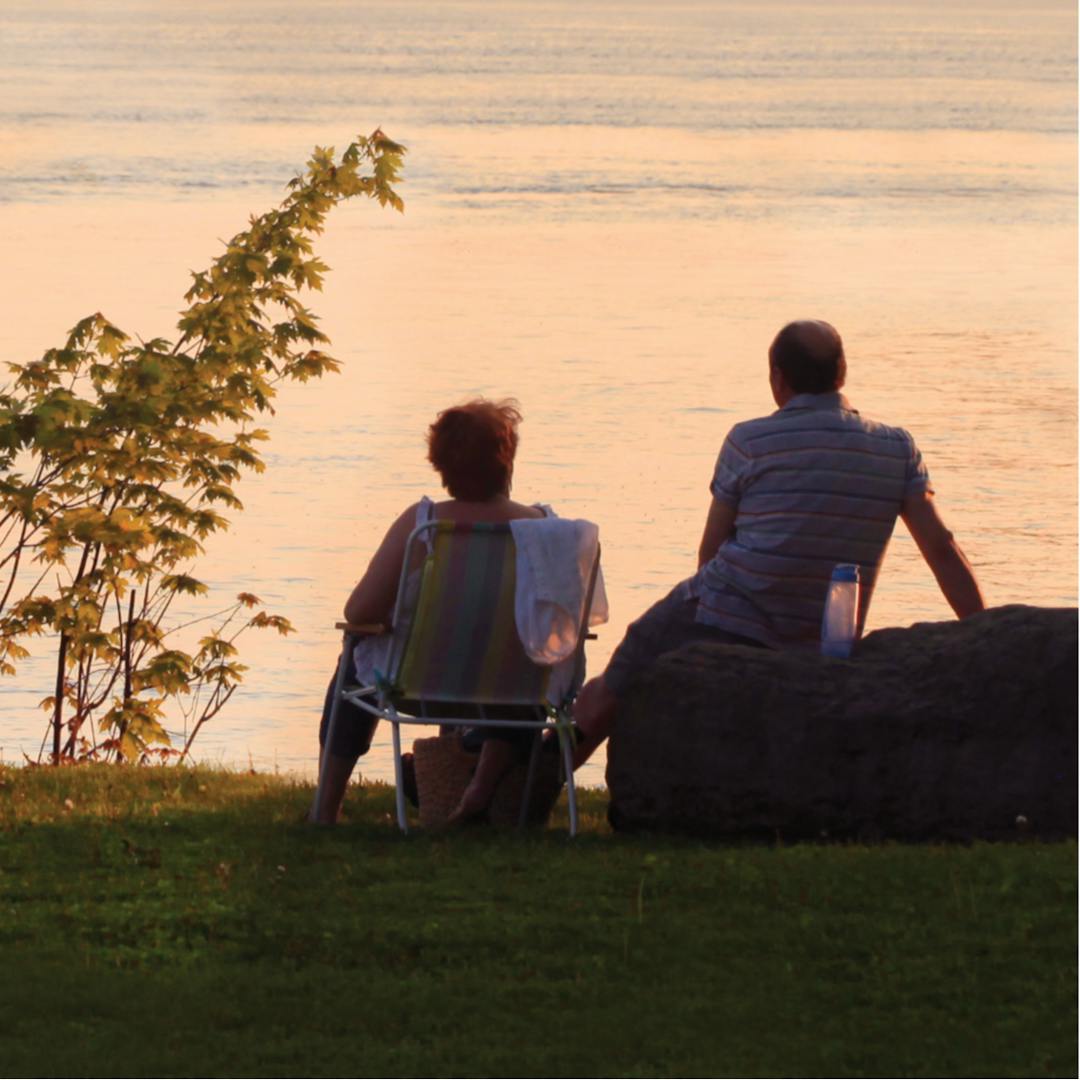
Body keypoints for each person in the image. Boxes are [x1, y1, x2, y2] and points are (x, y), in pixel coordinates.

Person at [573, 318, 986, 751]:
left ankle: (532, 786)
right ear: (841, 372)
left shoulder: (750, 440)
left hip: (731, 615)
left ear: (778, 378)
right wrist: (985, 631)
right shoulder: (897, 448)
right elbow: (941, 549)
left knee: (616, 678)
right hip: (824, 633)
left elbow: (709, 554)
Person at [311, 398, 554, 825]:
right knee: (528, 651)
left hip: (420, 686)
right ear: (507, 459)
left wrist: (392, 620)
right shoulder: (543, 530)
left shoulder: (424, 526)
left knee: (355, 649)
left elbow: (359, 610)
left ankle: (326, 808)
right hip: (514, 695)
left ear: (440, 464)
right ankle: (481, 792)